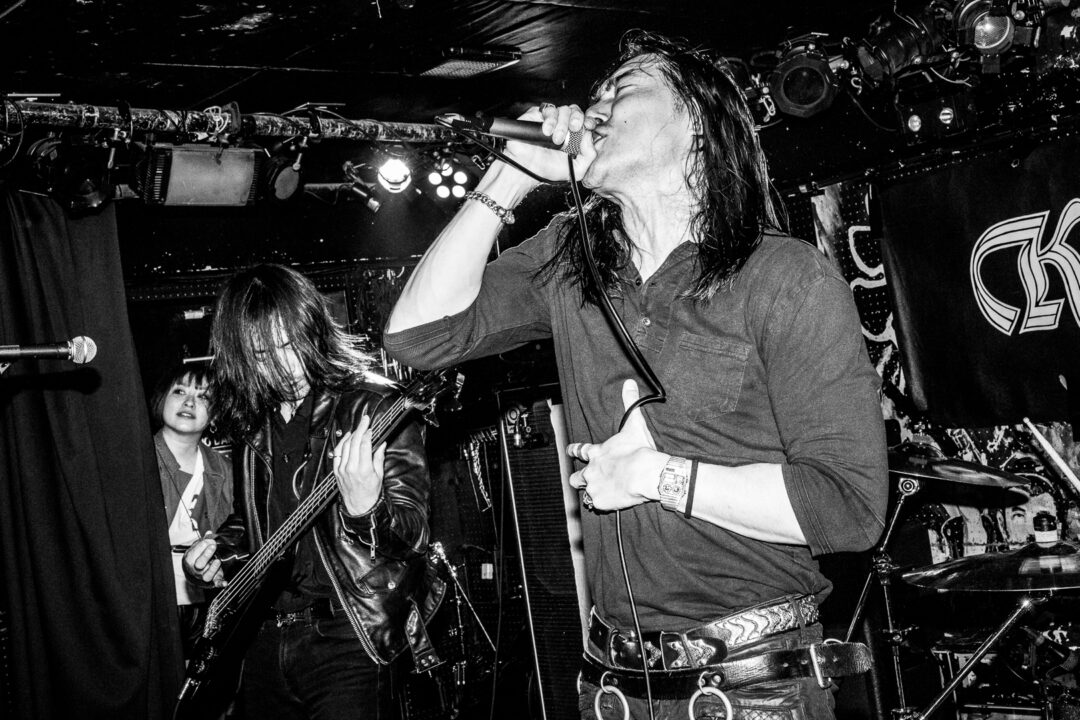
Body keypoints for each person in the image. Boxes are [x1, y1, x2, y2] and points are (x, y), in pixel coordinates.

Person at [384, 29, 888, 720]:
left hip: (753, 686)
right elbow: (419, 335)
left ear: (698, 129)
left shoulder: (785, 276)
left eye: (622, 89)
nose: (594, 106)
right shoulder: (571, 256)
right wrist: (510, 177)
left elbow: (848, 509)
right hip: (612, 685)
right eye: (595, 93)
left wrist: (659, 476)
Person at [182, 264, 444, 720]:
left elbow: (414, 535)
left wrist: (367, 510)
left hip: (350, 633)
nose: (281, 366)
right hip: (264, 636)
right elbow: (256, 520)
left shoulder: (374, 407)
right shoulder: (255, 424)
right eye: (261, 354)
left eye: (288, 346)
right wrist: (219, 551)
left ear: (313, 330)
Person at [151, 362, 233, 659]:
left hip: (208, 602)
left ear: (215, 414)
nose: (189, 402)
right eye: (180, 391)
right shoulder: (135, 459)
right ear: (161, 399)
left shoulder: (226, 469)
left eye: (203, 396)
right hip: (150, 601)